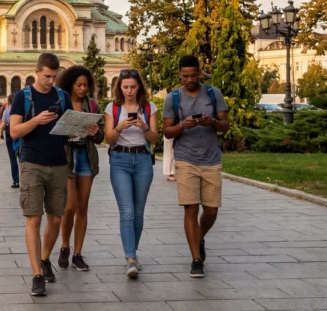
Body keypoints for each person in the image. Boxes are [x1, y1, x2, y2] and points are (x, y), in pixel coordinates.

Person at [10, 53, 76, 297]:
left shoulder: (62, 96)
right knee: (33, 219)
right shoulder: (22, 96)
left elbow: (70, 130)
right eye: (46, 76)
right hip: (32, 163)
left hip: (59, 163)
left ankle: (45, 257)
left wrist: (84, 129)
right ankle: (37, 274)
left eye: (54, 76)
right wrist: (36, 120)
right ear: (36, 71)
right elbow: (15, 131)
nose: (50, 80)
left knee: (56, 219)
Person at [162, 55, 229, 279]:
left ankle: (199, 237)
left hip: (211, 159)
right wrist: (183, 125)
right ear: (180, 75)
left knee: (211, 210)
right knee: (191, 207)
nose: (189, 79)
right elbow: (167, 132)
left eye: (193, 75)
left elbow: (225, 126)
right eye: (185, 76)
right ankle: (196, 260)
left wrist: (212, 122)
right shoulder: (173, 98)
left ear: (200, 73)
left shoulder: (213, 93)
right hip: (185, 159)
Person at [104, 69, 159, 278]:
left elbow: (154, 139)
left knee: (138, 212)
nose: (129, 91)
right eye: (125, 87)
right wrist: (119, 127)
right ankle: (130, 258)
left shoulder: (149, 107)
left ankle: (133, 254)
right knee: (126, 211)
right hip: (120, 160)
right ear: (119, 87)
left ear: (139, 88)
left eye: (133, 87)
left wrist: (144, 126)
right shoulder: (113, 108)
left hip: (143, 160)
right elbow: (108, 139)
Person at [56, 66, 105, 273]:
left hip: (85, 156)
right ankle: (65, 246)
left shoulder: (92, 105)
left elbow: (101, 137)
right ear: (70, 85)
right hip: (67, 157)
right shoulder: (61, 103)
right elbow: (52, 132)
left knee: (82, 207)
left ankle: (77, 253)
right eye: (79, 85)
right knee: (69, 207)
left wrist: (95, 131)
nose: (83, 88)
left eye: (86, 85)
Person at [0, 93, 19, 188]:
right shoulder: (22, 109)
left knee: (12, 158)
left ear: (9, 101)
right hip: (21, 134)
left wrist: (0, 133)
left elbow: (3, 124)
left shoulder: (7, 110)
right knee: (23, 157)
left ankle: (16, 181)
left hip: (10, 134)